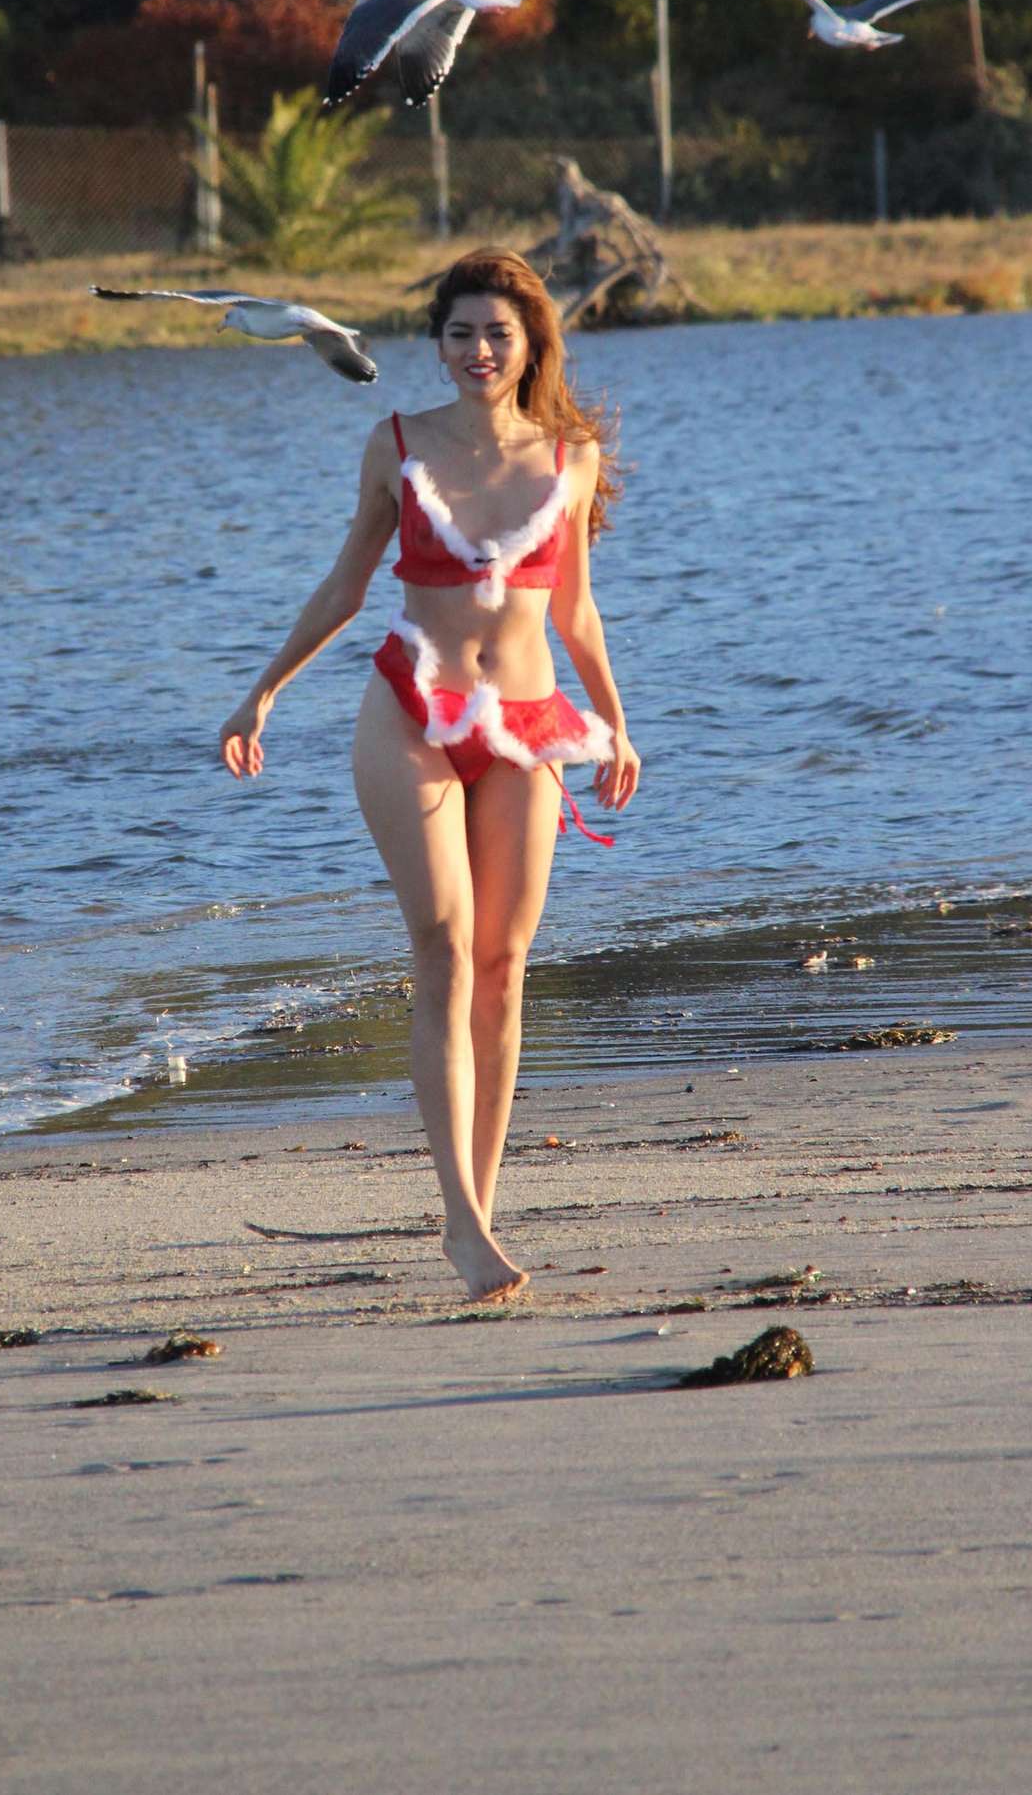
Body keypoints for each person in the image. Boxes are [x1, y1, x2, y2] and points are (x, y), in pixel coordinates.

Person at [219, 248, 640, 1301]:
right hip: (409, 709)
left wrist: (616, 727)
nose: (477, 351)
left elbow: (573, 610)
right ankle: (459, 1222)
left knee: (502, 965)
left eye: (496, 333)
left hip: (529, 726)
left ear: (529, 342)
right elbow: (345, 585)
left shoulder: (567, 457)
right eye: (458, 333)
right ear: (437, 344)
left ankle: (478, 1214)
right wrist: (262, 691)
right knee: (444, 945)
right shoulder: (394, 444)